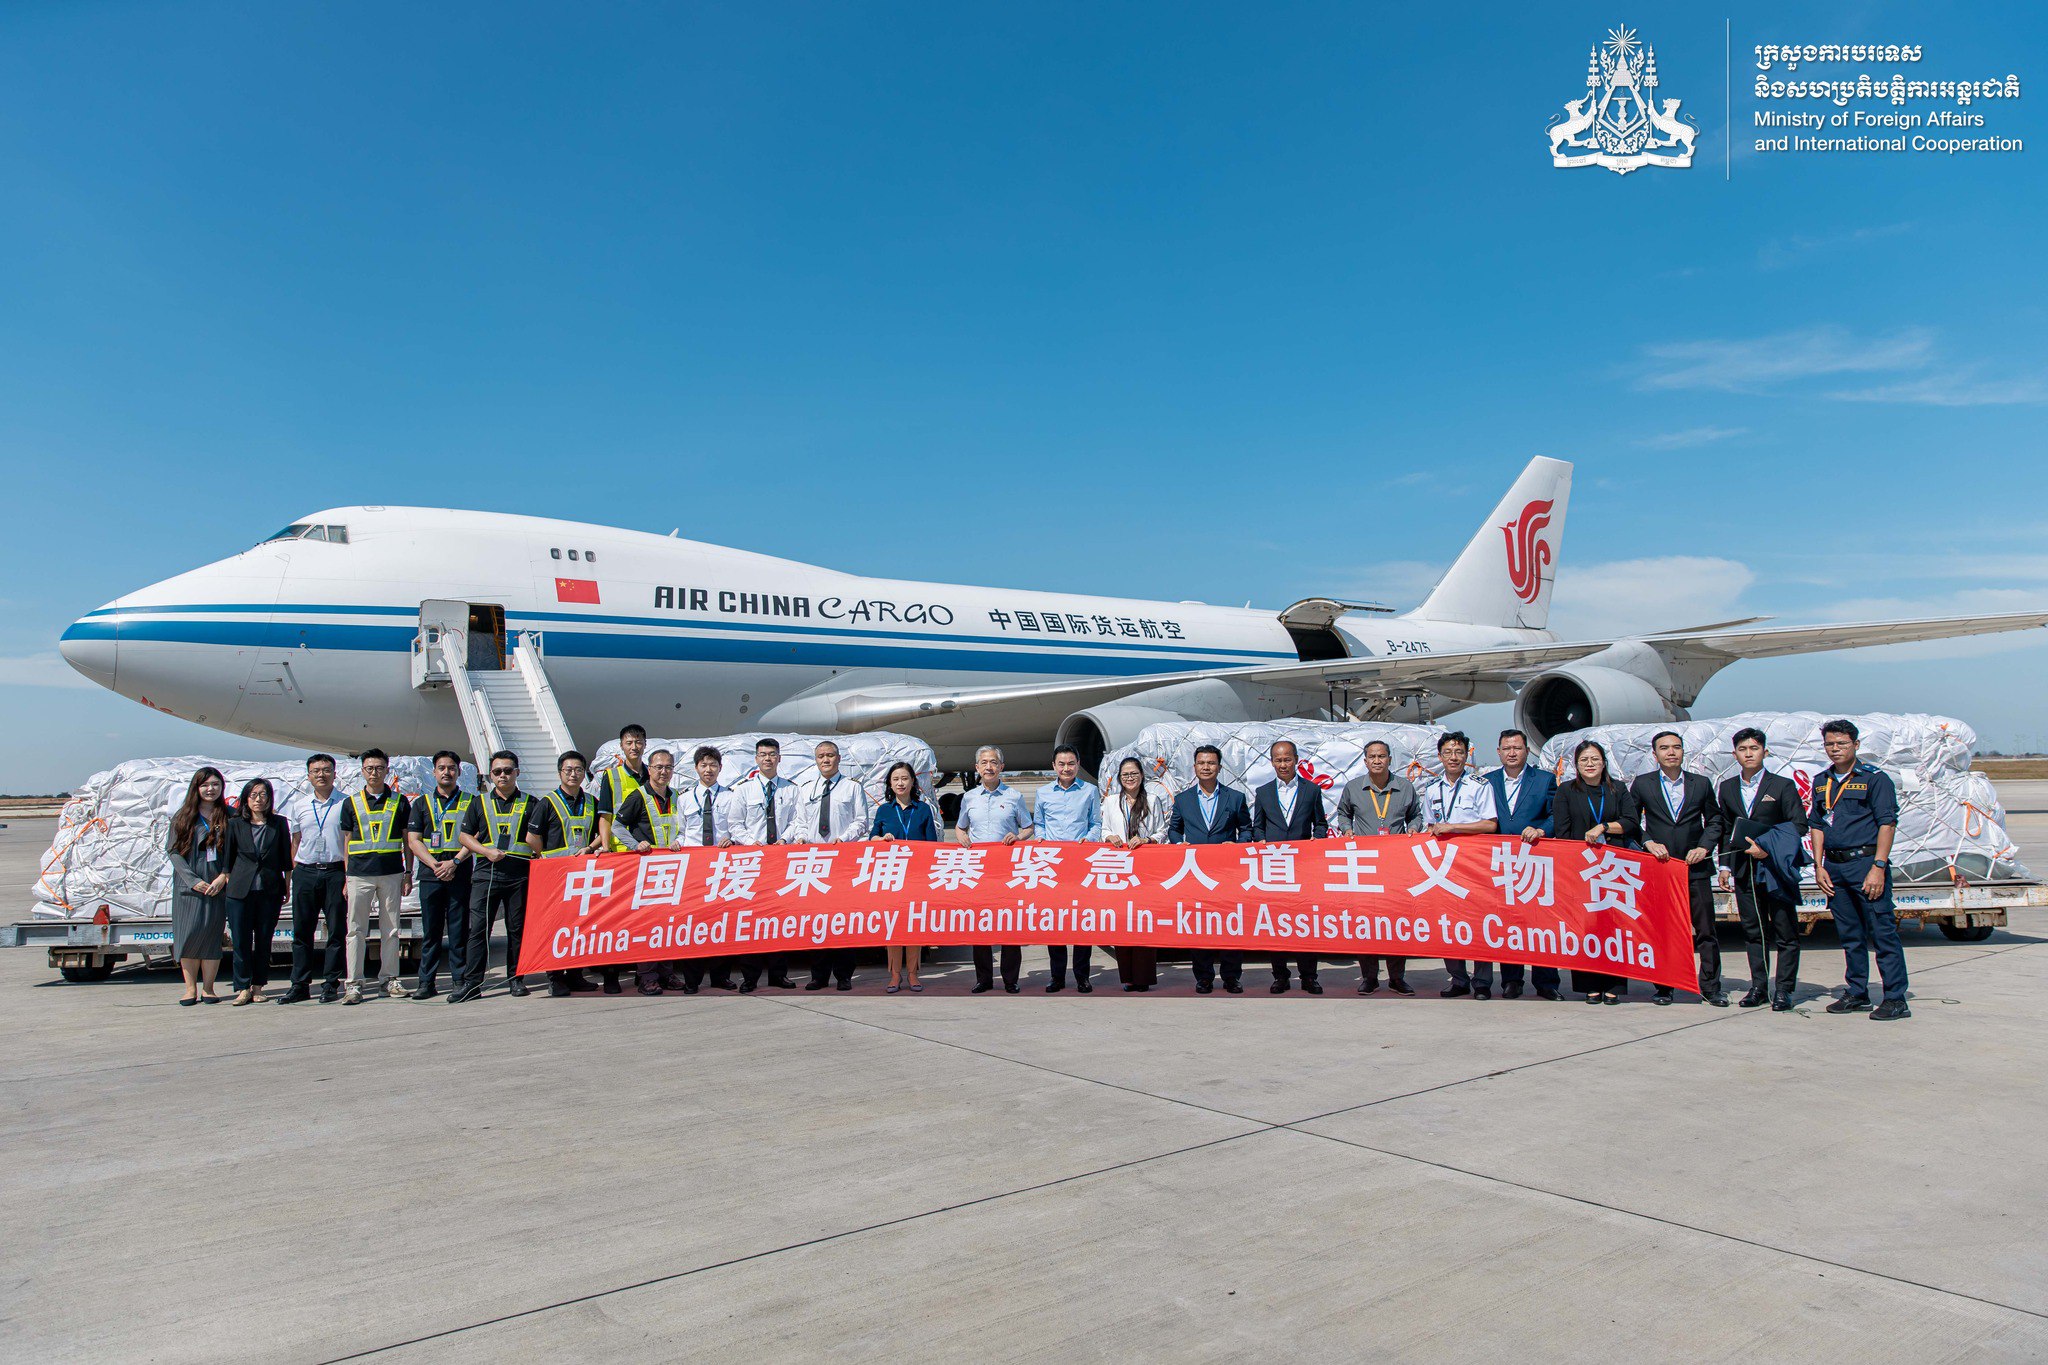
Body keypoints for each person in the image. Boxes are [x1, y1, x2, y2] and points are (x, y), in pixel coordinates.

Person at [1809, 720, 1909, 1021]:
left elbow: (1887, 823)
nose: (1835, 749)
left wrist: (1878, 867)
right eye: (1829, 744)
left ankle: (1895, 998)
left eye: (1841, 743)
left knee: (1882, 933)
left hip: (1865, 864)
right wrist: (1818, 866)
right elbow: (1817, 824)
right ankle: (1857, 992)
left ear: (1856, 745)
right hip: (1834, 867)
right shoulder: (1822, 781)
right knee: (1849, 935)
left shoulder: (1874, 779)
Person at [1629, 731, 1727, 1007]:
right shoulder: (1643, 784)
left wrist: (1705, 847)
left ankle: (1710, 987)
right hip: (1660, 869)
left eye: (1676, 747)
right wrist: (1648, 842)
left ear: (1684, 751)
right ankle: (1664, 986)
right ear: (1655, 754)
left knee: (1706, 930)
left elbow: (1715, 820)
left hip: (1695, 868)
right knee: (1663, 931)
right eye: (1664, 748)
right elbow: (1630, 821)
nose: (1671, 752)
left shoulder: (1701, 783)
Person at [1716, 727, 1808, 1011]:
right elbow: (1726, 828)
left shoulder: (1782, 786)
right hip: (1744, 868)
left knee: (1785, 930)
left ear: (1764, 752)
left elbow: (1798, 825)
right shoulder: (1727, 788)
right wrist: (1724, 866)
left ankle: (1784, 989)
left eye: (1754, 748)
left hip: (1776, 868)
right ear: (1735, 754)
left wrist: (1766, 847)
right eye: (1743, 749)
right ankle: (1759, 987)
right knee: (1753, 930)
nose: (1749, 754)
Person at [1546, 740, 1639, 1004]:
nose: (1590, 764)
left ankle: (1614, 984)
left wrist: (1604, 827)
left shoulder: (1617, 789)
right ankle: (1590, 984)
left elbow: (1631, 822)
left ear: (1604, 763)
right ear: (1576, 765)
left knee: (1615, 926)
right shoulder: (1566, 791)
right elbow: (1562, 830)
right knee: (1585, 926)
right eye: (1584, 760)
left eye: (1595, 759)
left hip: (1614, 868)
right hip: (1581, 868)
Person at [1332, 740, 1425, 995]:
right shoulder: (1353, 788)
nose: (1376, 761)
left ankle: (1397, 978)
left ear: (1389, 759)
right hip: (1364, 865)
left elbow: (1416, 814)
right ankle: (1369, 977)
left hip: (1396, 865)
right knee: (1366, 923)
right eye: (1372, 756)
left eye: (1381, 756)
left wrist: (1414, 827)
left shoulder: (1404, 787)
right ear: (1365, 761)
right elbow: (1343, 813)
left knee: (1396, 922)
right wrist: (1347, 829)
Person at [450, 750, 544, 1002]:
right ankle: (472, 983)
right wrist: (485, 851)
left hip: (519, 876)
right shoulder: (479, 803)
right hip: (486, 874)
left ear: (517, 773)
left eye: (508, 771)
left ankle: (516, 978)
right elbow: (464, 836)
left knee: (517, 929)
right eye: (497, 771)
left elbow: (539, 837)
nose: (503, 775)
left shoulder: (532, 803)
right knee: (479, 930)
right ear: (490, 775)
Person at [1421, 731, 1499, 999]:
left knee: (1479, 921)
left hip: (1475, 864)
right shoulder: (1432, 788)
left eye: (1459, 752)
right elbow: (1429, 825)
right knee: (1448, 922)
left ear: (1467, 755)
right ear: (1440, 756)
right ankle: (1458, 979)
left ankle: (1482, 981)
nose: (1453, 757)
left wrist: (1453, 827)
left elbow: (1490, 824)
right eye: (1448, 752)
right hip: (1444, 866)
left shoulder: (1480, 785)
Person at [1168, 744, 1251, 994]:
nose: (1206, 767)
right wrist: (1178, 844)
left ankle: (1231, 977)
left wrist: (1237, 845)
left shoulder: (1235, 797)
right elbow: (1174, 829)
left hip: (1227, 874)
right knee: (1200, 926)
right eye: (1202, 763)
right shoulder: (1183, 799)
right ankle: (1203, 977)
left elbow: (1246, 829)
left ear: (1219, 767)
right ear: (1194, 767)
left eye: (1211, 763)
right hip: (1196, 874)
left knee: (1230, 925)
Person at [1484, 730, 1559, 999]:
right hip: (1501, 863)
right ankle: (1511, 980)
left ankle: (1546, 982)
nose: (1512, 753)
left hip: (1535, 859)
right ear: (1498, 752)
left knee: (1540, 923)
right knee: (1508, 922)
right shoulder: (1488, 781)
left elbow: (1556, 815)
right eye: (1507, 748)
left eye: (1517, 748)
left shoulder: (1545, 780)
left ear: (1527, 750)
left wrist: (1541, 830)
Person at [1250, 739, 1328, 994]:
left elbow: (1320, 823)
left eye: (1287, 759)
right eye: (1278, 760)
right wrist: (1261, 840)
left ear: (1296, 760)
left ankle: (1309, 977)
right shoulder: (1263, 792)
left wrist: (1317, 840)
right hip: (1275, 866)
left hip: (1304, 867)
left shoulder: (1311, 790)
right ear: (1271, 762)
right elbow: (1258, 825)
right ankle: (1280, 976)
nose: (1283, 764)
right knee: (1277, 924)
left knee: (1306, 923)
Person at [336, 748, 413, 1004]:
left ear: (387, 770)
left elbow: (407, 841)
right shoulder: (351, 803)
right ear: (362, 771)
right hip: (359, 875)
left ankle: (389, 979)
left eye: (379, 768)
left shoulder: (400, 802)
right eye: (369, 768)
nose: (374, 773)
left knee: (391, 930)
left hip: (391, 873)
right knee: (355, 930)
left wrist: (408, 873)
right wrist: (347, 876)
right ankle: (354, 984)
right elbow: (347, 841)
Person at [728, 738, 803, 992]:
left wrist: (784, 839)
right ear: (756, 759)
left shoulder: (791, 789)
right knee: (751, 920)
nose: (767, 759)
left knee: (779, 919)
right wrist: (753, 843)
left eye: (772, 754)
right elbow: (735, 824)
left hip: (780, 862)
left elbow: (797, 821)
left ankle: (778, 975)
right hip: (752, 863)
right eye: (763, 754)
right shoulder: (744, 790)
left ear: (779, 758)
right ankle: (750, 977)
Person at [957, 745, 1032, 993]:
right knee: (980, 925)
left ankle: (1011, 979)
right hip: (978, 871)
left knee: (1009, 924)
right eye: (984, 762)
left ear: (1001, 767)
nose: (988, 767)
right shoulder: (969, 797)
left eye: (993, 762)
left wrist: (1018, 837)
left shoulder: (1014, 796)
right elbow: (960, 826)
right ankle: (984, 979)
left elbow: (1029, 827)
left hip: (1006, 871)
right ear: (976, 767)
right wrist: (961, 836)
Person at [799, 740, 873, 992]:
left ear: (838, 758)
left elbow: (861, 821)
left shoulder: (852, 787)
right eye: (821, 756)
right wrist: (801, 837)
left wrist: (844, 839)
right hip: (815, 863)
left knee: (842, 919)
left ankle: (844, 975)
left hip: (842, 861)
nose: (825, 760)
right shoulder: (806, 789)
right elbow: (800, 822)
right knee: (817, 920)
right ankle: (818, 976)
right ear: (816, 760)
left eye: (830, 755)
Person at [613, 749, 686, 995]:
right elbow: (617, 826)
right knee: (647, 925)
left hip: (672, 870)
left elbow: (683, 827)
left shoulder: (676, 796)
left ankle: (666, 973)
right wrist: (635, 844)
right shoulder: (638, 796)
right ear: (650, 769)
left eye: (668, 767)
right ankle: (647, 976)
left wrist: (680, 841)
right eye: (658, 767)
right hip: (647, 871)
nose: (664, 772)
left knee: (668, 923)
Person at [404, 750, 474, 1001]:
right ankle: (426, 982)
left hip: (459, 871)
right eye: (442, 768)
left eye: (451, 768)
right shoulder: (421, 804)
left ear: (458, 772)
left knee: (458, 930)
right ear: (434, 772)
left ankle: (459, 980)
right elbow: (414, 840)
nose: (447, 772)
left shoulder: (470, 801)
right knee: (431, 931)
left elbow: (475, 837)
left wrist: (454, 863)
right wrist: (436, 865)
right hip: (431, 873)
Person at [535, 750, 605, 997]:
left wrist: (591, 848)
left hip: (582, 876)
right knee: (555, 927)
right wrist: (548, 859)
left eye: (578, 770)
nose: (573, 774)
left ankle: (576, 975)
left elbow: (602, 832)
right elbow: (533, 837)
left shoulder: (592, 802)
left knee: (578, 926)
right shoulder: (547, 803)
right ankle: (555, 977)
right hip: (555, 876)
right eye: (568, 770)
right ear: (560, 773)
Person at [279, 753, 349, 1003]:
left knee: (336, 931)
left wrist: (348, 876)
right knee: (302, 931)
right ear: (308, 776)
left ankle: (331, 983)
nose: (322, 775)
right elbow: (295, 841)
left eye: (326, 770)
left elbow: (349, 841)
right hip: (306, 872)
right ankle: (299, 984)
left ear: (335, 773)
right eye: (316, 771)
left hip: (335, 871)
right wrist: (292, 875)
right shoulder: (300, 805)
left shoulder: (346, 803)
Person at [1033, 745, 1102, 993]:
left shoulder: (1089, 791)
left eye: (1071, 763)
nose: (1066, 768)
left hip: (1081, 863)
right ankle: (1057, 977)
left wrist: (1089, 839)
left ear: (1078, 764)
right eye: (1061, 764)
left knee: (1082, 921)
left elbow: (1096, 823)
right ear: (1054, 766)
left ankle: (1082, 976)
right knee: (1055, 922)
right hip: (1053, 866)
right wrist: (1041, 838)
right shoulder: (1042, 793)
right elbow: (1039, 823)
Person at [1100, 756, 1169, 991]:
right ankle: (1128, 977)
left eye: (1134, 774)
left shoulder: (1152, 799)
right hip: (1120, 869)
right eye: (1125, 775)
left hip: (1145, 868)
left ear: (1142, 776)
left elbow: (1162, 831)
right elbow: (1104, 829)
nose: (1130, 778)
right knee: (1123, 922)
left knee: (1143, 921)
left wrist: (1147, 839)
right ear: (1119, 778)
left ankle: (1144, 977)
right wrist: (1109, 836)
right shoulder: (1111, 801)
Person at [222, 777, 291, 1005]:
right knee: (240, 941)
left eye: (263, 795)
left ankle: (259, 985)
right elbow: (228, 859)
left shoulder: (279, 823)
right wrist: (229, 883)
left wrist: (287, 885)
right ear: (246, 799)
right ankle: (242, 987)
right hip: (240, 892)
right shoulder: (235, 824)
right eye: (253, 795)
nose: (258, 799)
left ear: (269, 798)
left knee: (264, 940)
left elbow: (285, 859)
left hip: (269, 890)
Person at [871, 761, 939, 992]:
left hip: (916, 878)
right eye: (896, 779)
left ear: (912, 782)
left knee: (913, 927)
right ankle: (894, 975)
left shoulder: (923, 809)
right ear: (890, 784)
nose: (900, 783)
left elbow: (932, 845)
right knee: (893, 927)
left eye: (905, 778)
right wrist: (882, 840)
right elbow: (872, 838)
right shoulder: (884, 810)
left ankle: (912, 974)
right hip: (892, 877)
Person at [166, 767, 230, 1005]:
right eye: (205, 785)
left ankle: (209, 988)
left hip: (217, 885)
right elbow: (173, 851)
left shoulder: (229, 816)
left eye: (215, 784)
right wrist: (193, 881)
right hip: (189, 887)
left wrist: (223, 876)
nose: (210, 789)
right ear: (196, 788)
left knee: (212, 935)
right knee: (189, 934)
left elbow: (236, 851)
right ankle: (190, 988)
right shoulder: (183, 816)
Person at [676, 744, 736, 993]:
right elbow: (680, 831)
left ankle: (721, 976)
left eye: (713, 765)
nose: (708, 770)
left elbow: (736, 827)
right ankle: (692, 979)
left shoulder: (731, 796)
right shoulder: (684, 798)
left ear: (720, 768)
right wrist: (676, 843)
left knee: (722, 921)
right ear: (696, 768)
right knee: (694, 923)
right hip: (695, 869)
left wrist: (731, 839)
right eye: (704, 765)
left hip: (722, 867)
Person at [593, 724, 652, 853]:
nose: (634, 747)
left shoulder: (653, 775)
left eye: (638, 742)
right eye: (629, 743)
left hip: (650, 847)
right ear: (621, 746)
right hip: (622, 848)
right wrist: (606, 847)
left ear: (645, 744)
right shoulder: (611, 776)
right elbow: (606, 816)